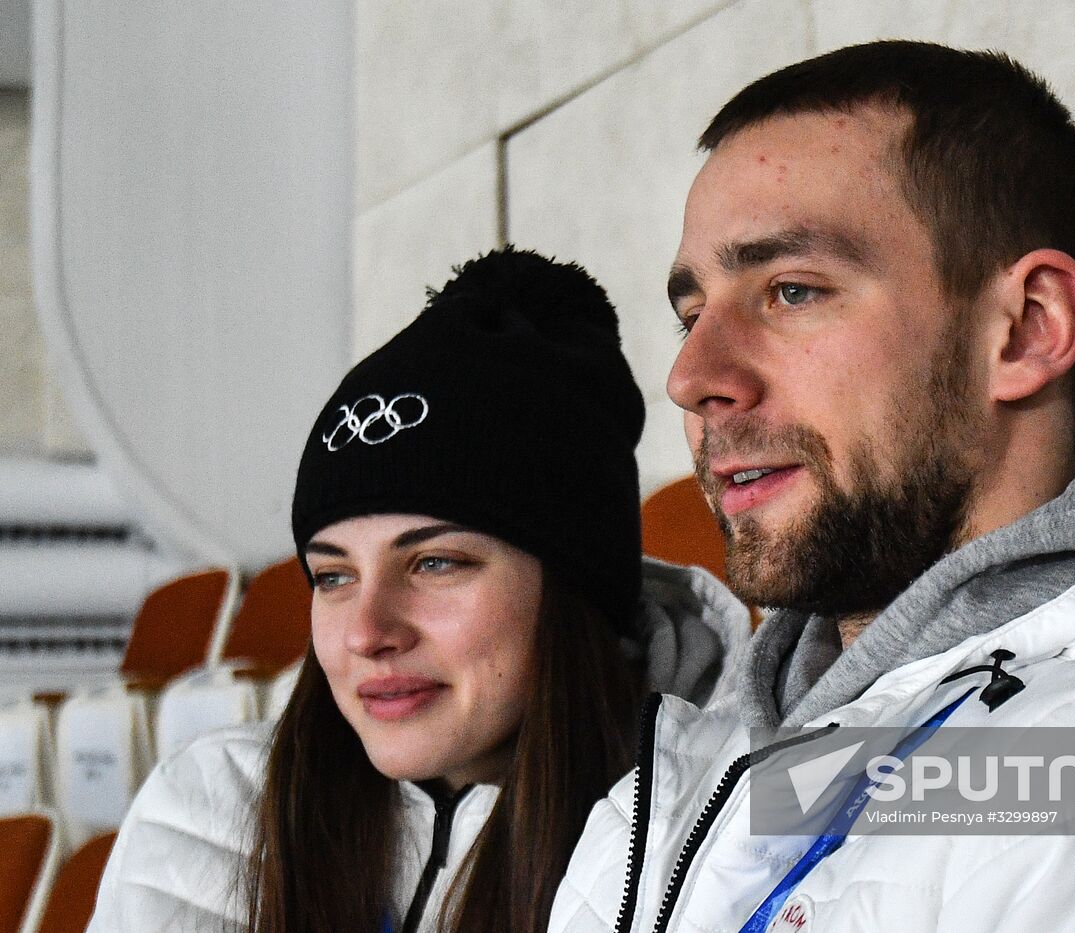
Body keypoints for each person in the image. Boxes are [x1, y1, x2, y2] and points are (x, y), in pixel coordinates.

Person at [550, 41, 1075, 931]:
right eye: (693, 314)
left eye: (792, 291)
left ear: (1027, 328)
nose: (691, 377)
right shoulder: (685, 775)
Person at [87, 248, 752, 933]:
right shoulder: (205, 813)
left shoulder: (750, 812)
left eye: (435, 563)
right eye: (333, 576)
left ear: (575, 591)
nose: (366, 633)